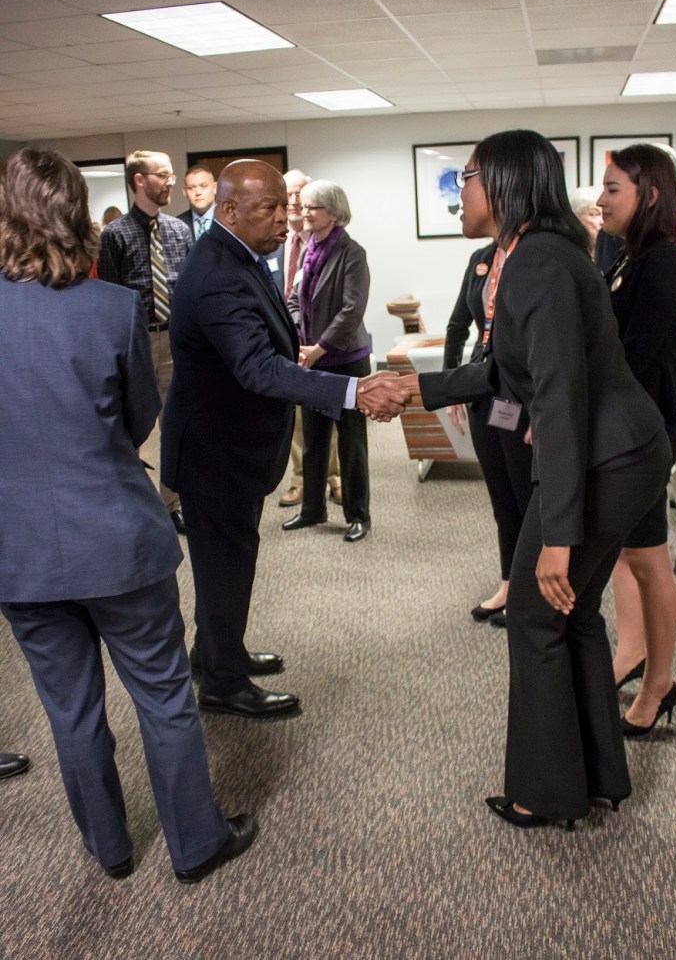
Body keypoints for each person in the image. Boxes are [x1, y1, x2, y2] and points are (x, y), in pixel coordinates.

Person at [396, 130, 671, 827]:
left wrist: (554, 531)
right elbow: (500, 370)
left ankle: (544, 792)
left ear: (508, 182)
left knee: (535, 609)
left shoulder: (539, 263)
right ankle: (594, 774)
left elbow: (555, 398)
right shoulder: (528, 254)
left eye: (469, 177)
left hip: (607, 458)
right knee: (568, 609)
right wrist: (410, 390)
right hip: (619, 452)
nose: (461, 192)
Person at [0, 147, 254, 884]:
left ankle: (109, 848)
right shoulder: (113, 309)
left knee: (70, 710)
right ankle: (195, 842)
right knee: (164, 697)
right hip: (116, 537)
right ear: (78, 213)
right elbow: (141, 415)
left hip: (19, 550)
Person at [161, 160, 406, 719]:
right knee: (226, 563)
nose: (284, 218)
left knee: (228, 560)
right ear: (228, 210)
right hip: (213, 454)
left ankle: (218, 652)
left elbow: (265, 342)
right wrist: (352, 390)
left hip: (228, 447)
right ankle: (221, 682)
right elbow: (256, 369)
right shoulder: (218, 271)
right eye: (269, 208)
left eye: (284, 206)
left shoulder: (238, 255)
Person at [597, 144, 676, 734]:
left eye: (614, 189)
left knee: (648, 557)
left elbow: (633, 358)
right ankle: (635, 656)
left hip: (645, 424)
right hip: (628, 422)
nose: (602, 199)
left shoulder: (667, 261)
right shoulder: (630, 256)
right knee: (632, 554)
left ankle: (658, 683)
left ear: (650, 195)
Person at [98, 149, 193, 535]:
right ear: (140, 180)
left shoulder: (179, 231)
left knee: (176, 426)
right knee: (131, 429)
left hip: (174, 342)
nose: (171, 181)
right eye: (163, 175)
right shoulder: (114, 235)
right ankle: (128, 506)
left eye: (171, 175)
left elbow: (189, 291)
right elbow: (108, 298)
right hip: (134, 344)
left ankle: (170, 505)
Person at [443, 242, 533, 625]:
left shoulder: (534, 254)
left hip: (521, 395)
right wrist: (451, 385)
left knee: (525, 496)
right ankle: (510, 583)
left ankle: (530, 595)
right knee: (501, 497)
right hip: (485, 390)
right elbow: (457, 325)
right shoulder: (481, 258)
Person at [282, 180, 373, 543]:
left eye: (313, 207)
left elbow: (352, 310)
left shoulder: (353, 253)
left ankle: (358, 515)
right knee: (314, 440)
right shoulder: (308, 251)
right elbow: (293, 299)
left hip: (346, 360)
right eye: (303, 206)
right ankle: (312, 510)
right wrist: (298, 339)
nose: (305, 213)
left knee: (351, 443)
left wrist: (318, 347)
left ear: (334, 213)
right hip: (313, 359)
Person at [276, 169, 343, 509]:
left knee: (323, 406)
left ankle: (333, 476)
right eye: (287, 195)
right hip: (283, 335)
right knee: (296, 413)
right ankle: (300, 479)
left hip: (318, 341)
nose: (293, 202)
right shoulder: (274, 240)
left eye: (299, 195)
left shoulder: (322, 242)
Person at [178, 164, 216, 239]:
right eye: (191, 188)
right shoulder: (177, 225)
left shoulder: (230, 221)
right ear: (185, 192)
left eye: (203, 186)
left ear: (215, 188)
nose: (198, 192)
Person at [569, 186, 604, 260]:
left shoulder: (612, 252)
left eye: (604, 214)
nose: (602, 221)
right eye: (595, 214)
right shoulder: (567, 253)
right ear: (575, 218)